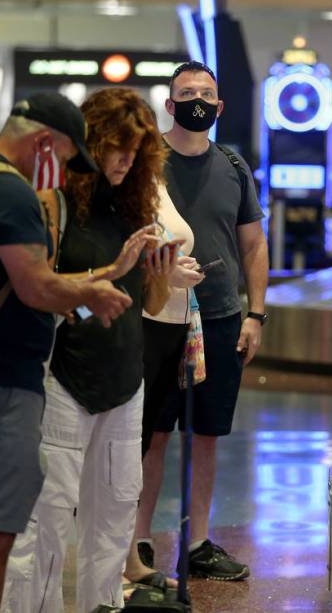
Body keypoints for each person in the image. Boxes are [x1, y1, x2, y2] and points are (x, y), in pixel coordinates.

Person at [0, 92, 134, 613]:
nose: (63, 173)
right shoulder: (10, 192)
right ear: (44, 143)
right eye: (64, 159)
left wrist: (100, 275)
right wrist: (92, 294)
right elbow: (35, 287)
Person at [0, 87, 180, 613]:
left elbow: (147, 302)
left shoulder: (135, 209)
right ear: (90, 144)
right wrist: (106, 276)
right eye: (116, 147)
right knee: (48, 520)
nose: (125, 159)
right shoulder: (52, 208)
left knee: (116, 514)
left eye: (136, 149)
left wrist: (160, 274)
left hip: (126, 377)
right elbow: (43, 297)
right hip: (64, 378)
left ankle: (104, 606)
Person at [134, 60, 269, 582]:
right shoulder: (148, 165)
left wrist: (254, 314)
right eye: (185, 93)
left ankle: (196, 542)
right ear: (169, 106)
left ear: (220, 106)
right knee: (154, 432)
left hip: (219, 318)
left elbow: (253, 245)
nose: (196, 101)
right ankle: (139, 540)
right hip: (158, 319)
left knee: (206, 433)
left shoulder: (234, 168)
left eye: (206, 93)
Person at [126, 164, 204, 577]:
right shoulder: (119, 187)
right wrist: (161, 272)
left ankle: (126, 555)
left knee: (145, 440)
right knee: (126, 445)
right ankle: (117, 560)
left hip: (171, 325)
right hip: (139, 325)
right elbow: (116, 258)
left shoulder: (155, 179)